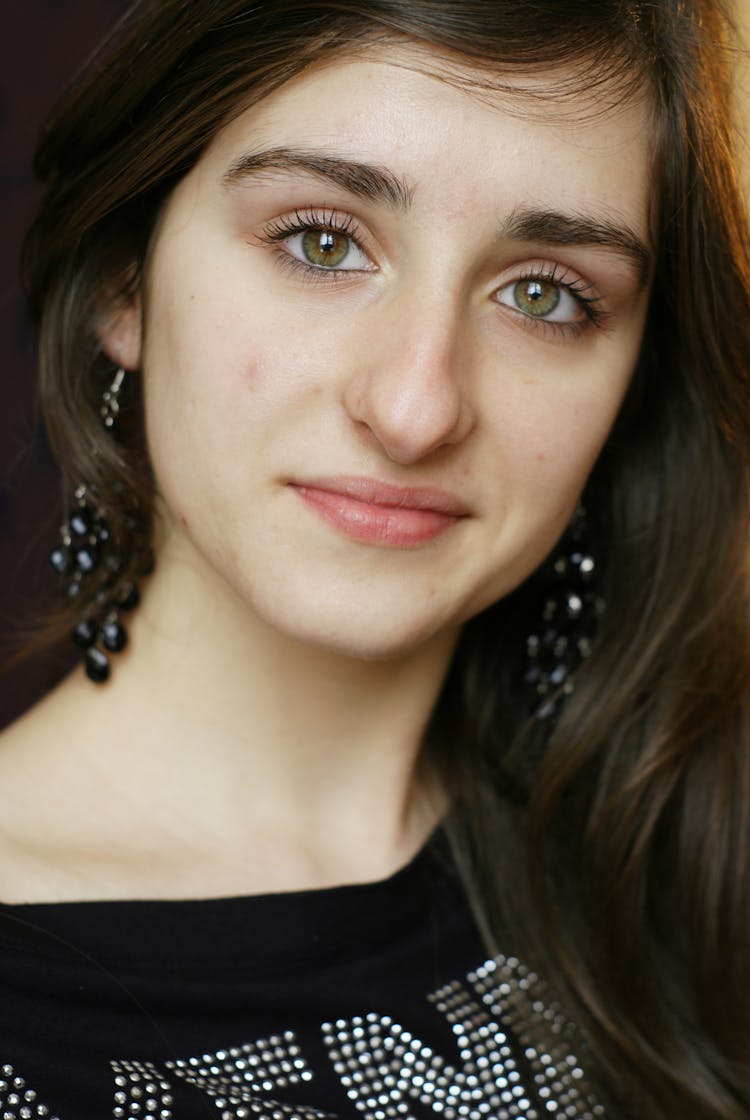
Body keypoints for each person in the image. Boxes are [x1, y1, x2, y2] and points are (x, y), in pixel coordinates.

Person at [0, 1, 748, 1117]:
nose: (414, 407)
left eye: (544, 294)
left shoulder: (694, 869)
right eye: (320, 240)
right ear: (125, 280)